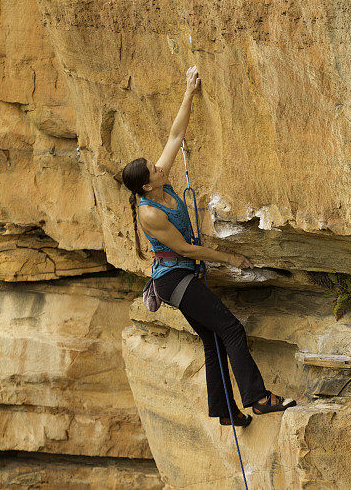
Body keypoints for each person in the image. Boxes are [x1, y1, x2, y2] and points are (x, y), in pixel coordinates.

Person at [120, 65, 296, 428]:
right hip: (174, 280)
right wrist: (230, 257)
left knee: (214, 339)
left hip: (183, 277)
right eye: (154, 170)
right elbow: (185, 251)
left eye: (156, 166)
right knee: (231, 329)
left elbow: (174, 135)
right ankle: (258, 398)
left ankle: (225, 411)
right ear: (147, 187)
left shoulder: (160, 183)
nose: (160, 167)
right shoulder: (150, 213)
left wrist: (188, 91)